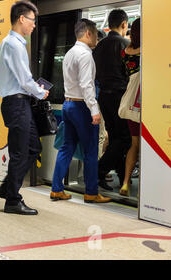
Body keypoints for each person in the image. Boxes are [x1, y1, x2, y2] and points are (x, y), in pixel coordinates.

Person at [0, 0, 49, 215]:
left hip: (20, 102)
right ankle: (12, 200)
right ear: (21, 19)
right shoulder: (13, 44)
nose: (34, 26)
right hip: (16, 102)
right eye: (32, 21)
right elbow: (24, 79)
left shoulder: (15, 44)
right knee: (19, 152)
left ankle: (8, 189)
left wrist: (34, 91)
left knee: (34, 147)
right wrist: (40, 92)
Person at [50, 19, 111, 204]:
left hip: (68, 105)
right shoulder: (85, 55)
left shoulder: (69, 53)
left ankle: (56, 189)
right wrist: (94, 110)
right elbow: (86, 85)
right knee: (91, 150)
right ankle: (91, 192)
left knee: (66, 147)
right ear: (88, 34)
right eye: (95, 35)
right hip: (82, 107)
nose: (96, 40)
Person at [93, 9, 131, 191]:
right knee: (125, 139)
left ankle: (124, 177)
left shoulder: (99, 46)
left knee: (115, 136)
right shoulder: (125, 44)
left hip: (104, 97)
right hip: (120, 96)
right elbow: (129, 73)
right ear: (124, 24)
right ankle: (99, 171)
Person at [119, 18, 141, 197]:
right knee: (147, 145)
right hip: (144, 102)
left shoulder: (125, 52)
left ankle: (126, 182)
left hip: (129, 103)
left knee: (134, 144)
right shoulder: (148, 51)